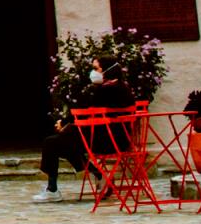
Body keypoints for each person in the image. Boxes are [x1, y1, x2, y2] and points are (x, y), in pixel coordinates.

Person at [35, 64, 135, 202]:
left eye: (96, 68)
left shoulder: (105, 91)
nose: (93, 72)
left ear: (108, 70)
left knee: (52, 143)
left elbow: (86, 111)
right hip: (119, 139)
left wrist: (65, 124)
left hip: (107, 139)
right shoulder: (124, 88)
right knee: (63, 142)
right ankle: (99, 175)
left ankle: (53, 189)